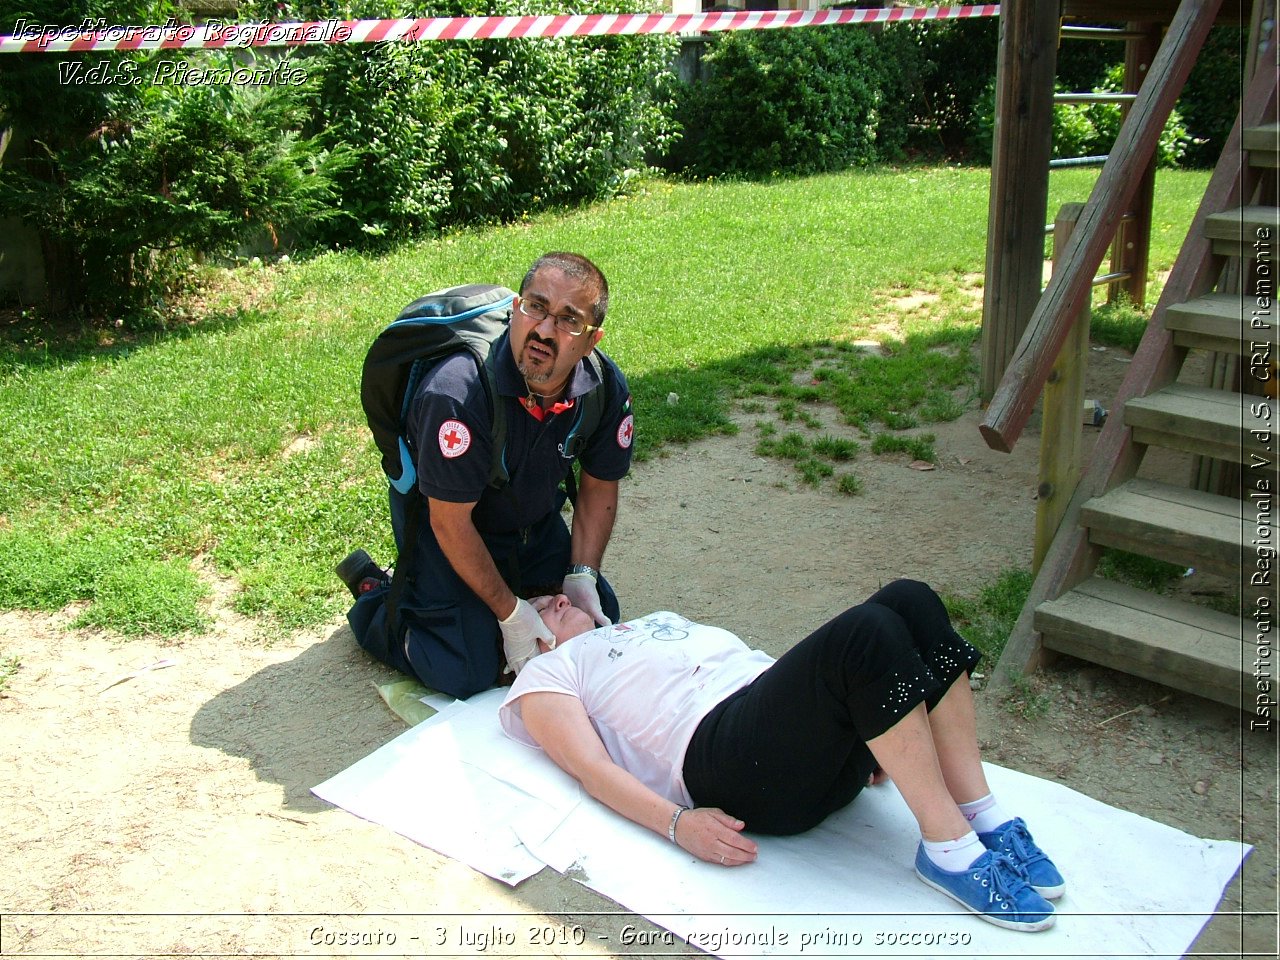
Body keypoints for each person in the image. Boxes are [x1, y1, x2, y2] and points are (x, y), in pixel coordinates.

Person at [499, 580, 1066, 933]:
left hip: (790, 747)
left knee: (910, 599)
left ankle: (979, 812)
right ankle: (948, 848)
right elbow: (591, 770)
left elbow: (766, 673)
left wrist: (866, 723)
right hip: (726, 760)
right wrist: (677, 825)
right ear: (529, 639)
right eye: (545, 606)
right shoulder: (548, 674)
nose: (560, 598)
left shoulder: (642, 623)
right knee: (864, 633)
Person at [340, 252, 634, 699]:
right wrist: (511, 614)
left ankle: (503, 604)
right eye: (536, 307)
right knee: (465, 669)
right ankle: (379, 599)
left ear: (591, 340)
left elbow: (598, 486)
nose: (544, 331)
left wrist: (581, 575)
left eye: (568, 319)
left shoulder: (603, 387)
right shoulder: (457, 392)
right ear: (517, 309)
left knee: (596, 615)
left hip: (528, 523)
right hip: (449, 531)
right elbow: (449, 524)